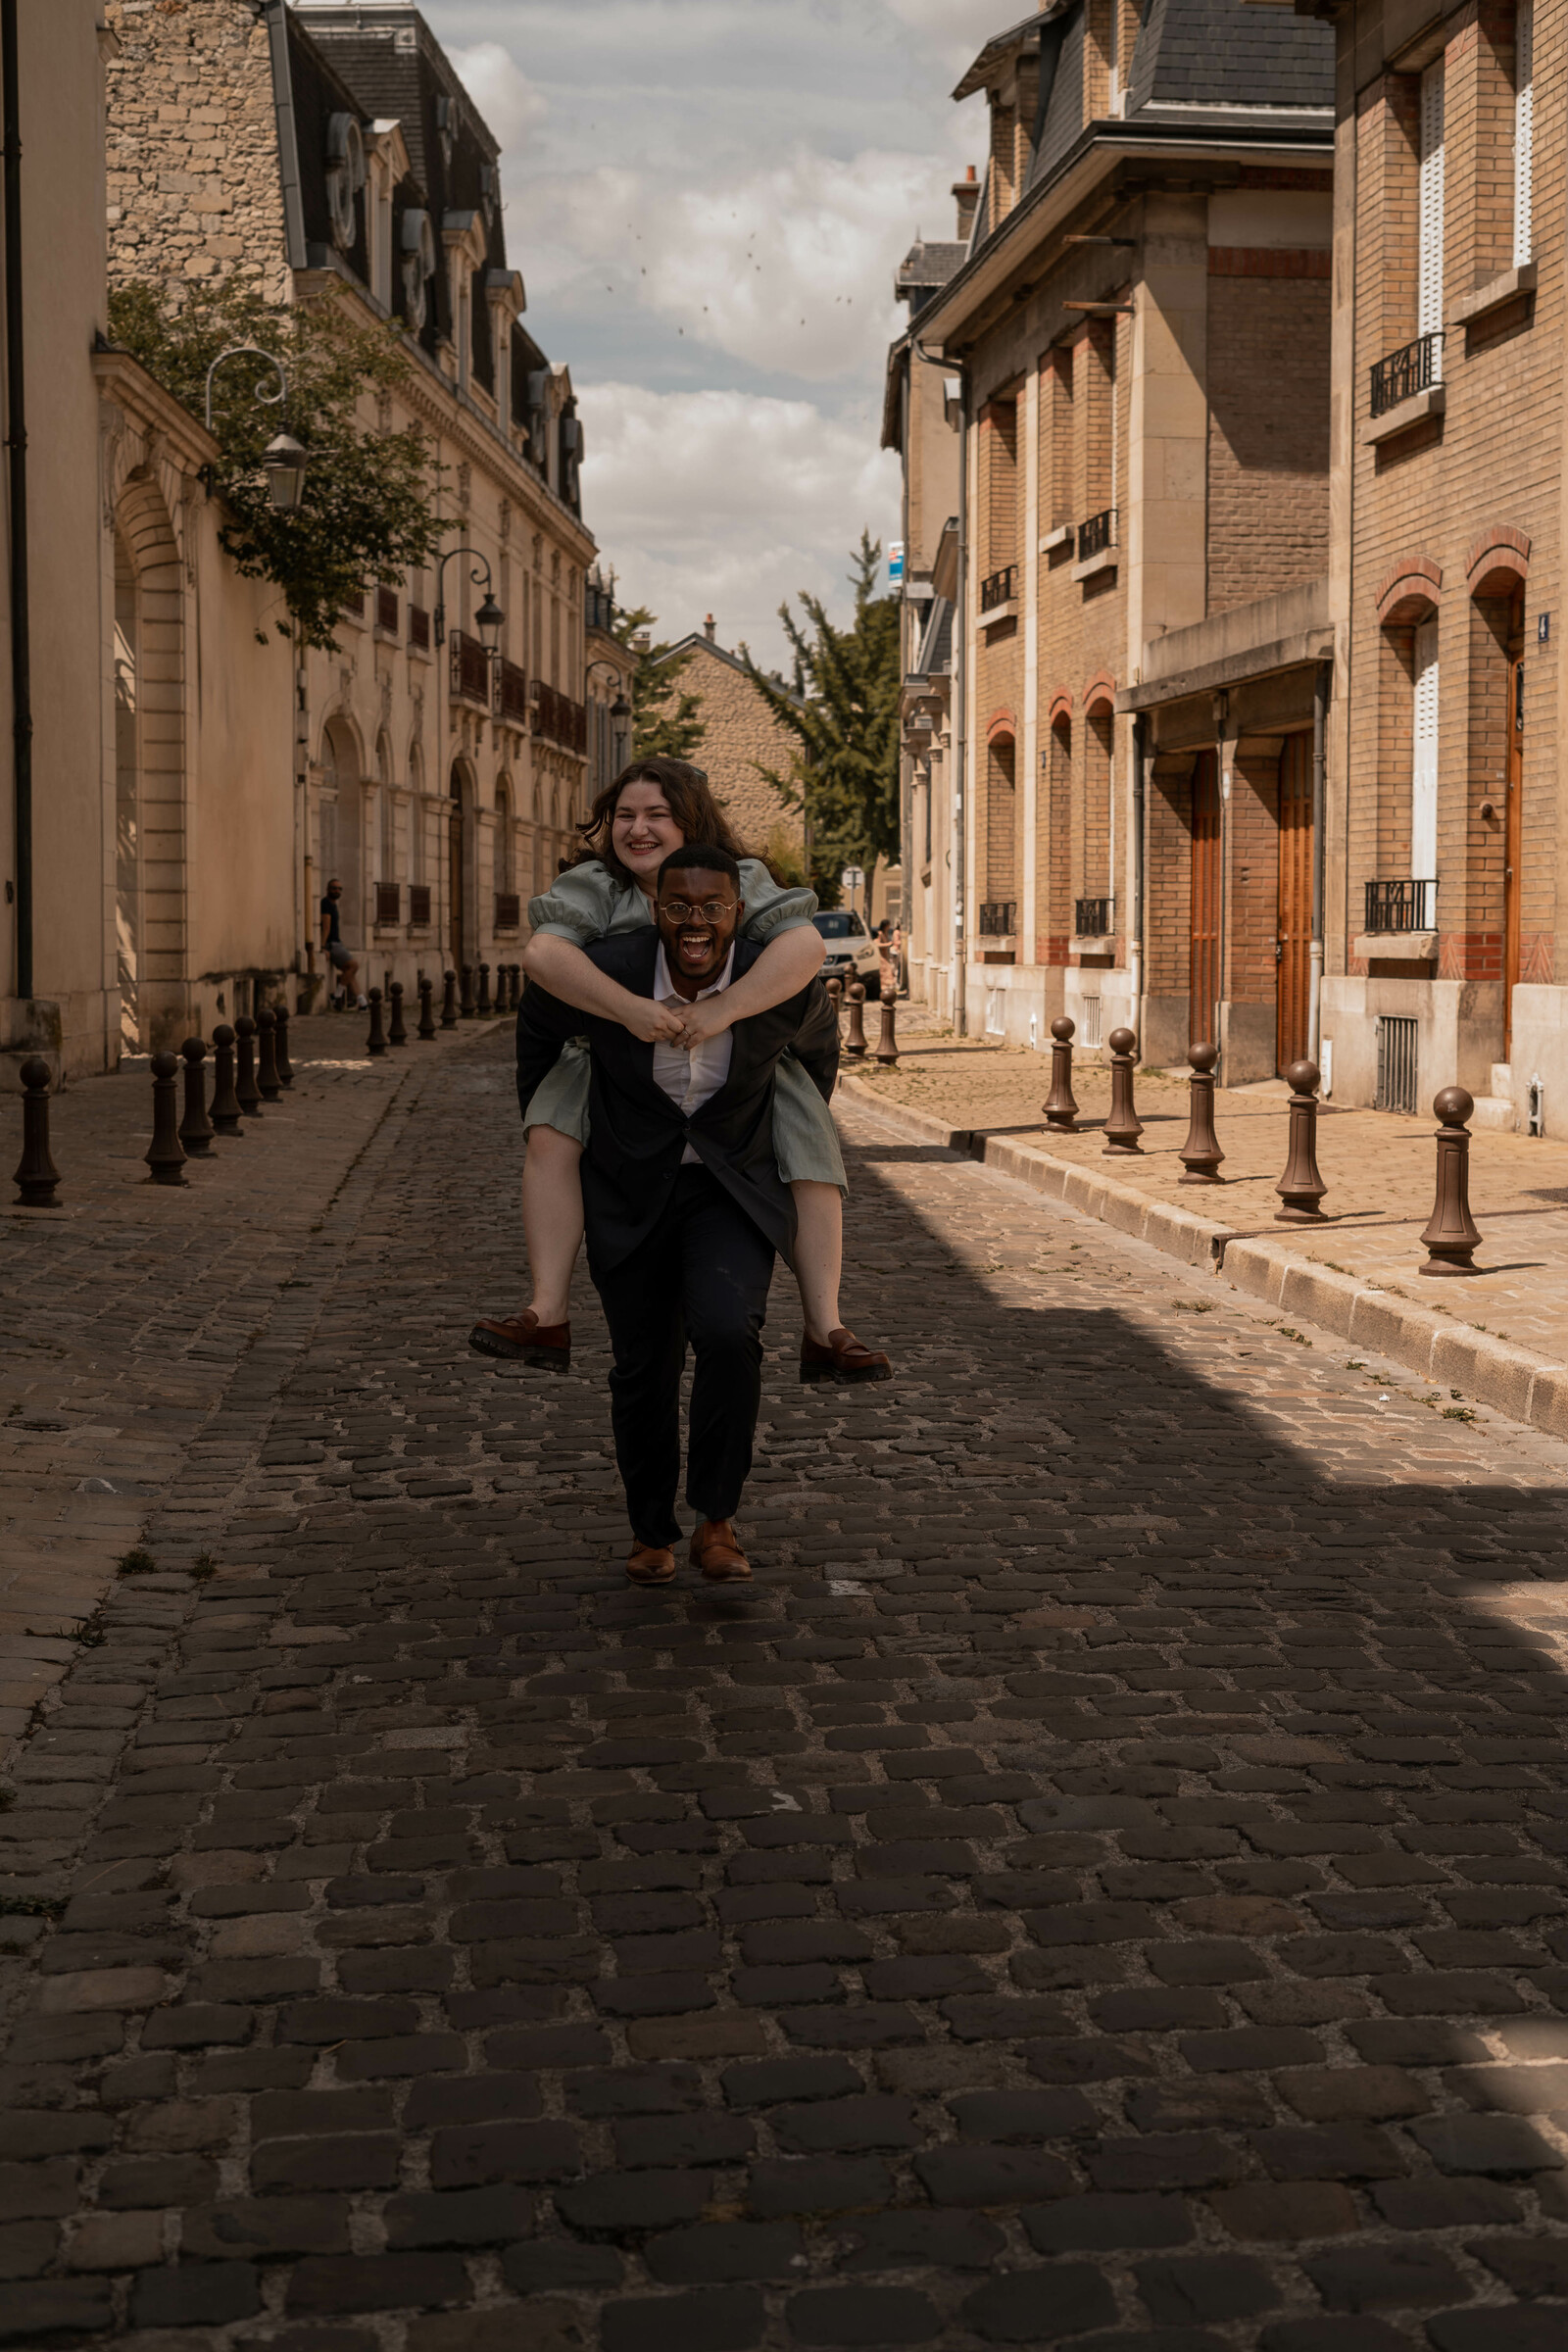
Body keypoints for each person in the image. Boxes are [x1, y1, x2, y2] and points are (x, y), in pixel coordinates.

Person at [468, 756, 890, 1385]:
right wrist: (629, 1011)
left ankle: (825, 1325)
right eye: (625, 815)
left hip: (738, 1064)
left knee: (808, 1136)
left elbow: (803, 947)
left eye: (657, 815)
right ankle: (546, 1309)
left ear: (691, 822)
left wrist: (726, 1009)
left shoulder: (741, 877)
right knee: (551, 1128)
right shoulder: (596, 886)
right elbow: (544, 954)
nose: (638, 829)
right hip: (613, 1060)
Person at [514, 845, 839, 1586]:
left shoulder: (768, 973)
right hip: (630, 1189)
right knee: (643, 1366)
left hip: (727, 1191)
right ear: (655, 912)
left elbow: (817, 1051)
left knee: (730, 1332)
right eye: (679, 909)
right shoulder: (613, 968)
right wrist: (555, 1118)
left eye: (712, 910)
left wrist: (762, 1133)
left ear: (737, 912)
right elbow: (539, 1022)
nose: (696, 925)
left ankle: (717, 1519)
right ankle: (650, 1528)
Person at [319, 879, 367, 1009]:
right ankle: (336, 996)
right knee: (354, 966)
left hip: (336, 943)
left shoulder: (333, 904)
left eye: (340, 889)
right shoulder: (326, 904)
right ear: (328, 889)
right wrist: (323, 947)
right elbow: (326, 926)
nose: (337, 891)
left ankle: (363, 1003)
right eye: (334, 888)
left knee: (349, 972)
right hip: (332, 944)